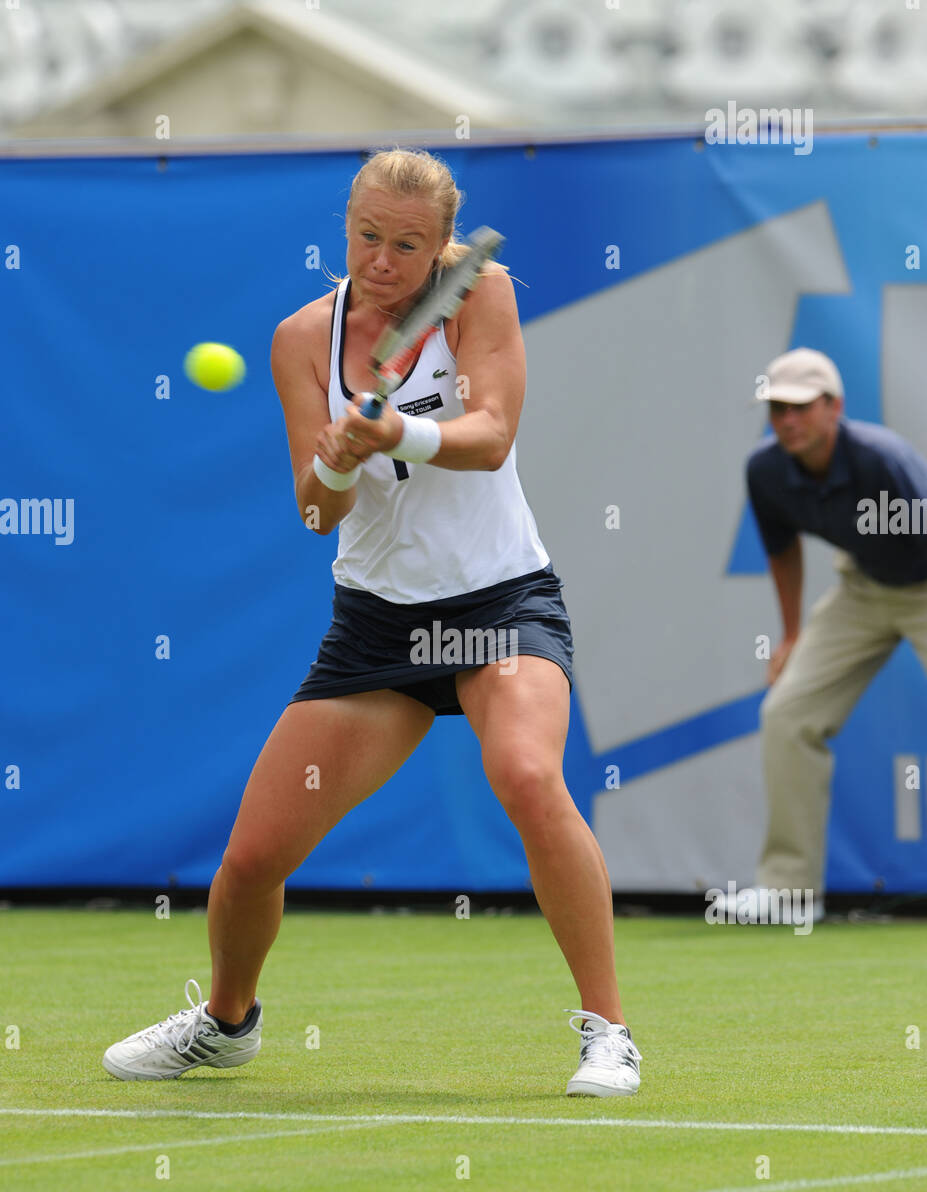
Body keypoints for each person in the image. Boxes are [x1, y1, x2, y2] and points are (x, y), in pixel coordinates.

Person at [103, 148, 641, 1098]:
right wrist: (341, 460)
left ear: (441, 248)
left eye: (407, 244)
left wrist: (398, 432)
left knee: (522, 770)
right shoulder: (302, 340)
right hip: (377, 630)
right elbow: (315, 514)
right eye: (367, 237)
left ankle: (608, 1031)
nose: (384, 260)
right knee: (251, 859)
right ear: (343, 226)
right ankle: (227, 1023)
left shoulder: (483, 295)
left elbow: (490, 438)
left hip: (498, 605)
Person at [722, 347, 927, 925]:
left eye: (800, 408)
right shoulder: (765, 470)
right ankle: (789, 892)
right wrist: (789, 635)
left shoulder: (885, 461)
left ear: (834, 407)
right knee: (787, 715)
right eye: (776, 409)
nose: (786, 421)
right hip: (862, 589)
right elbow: (782, 552)